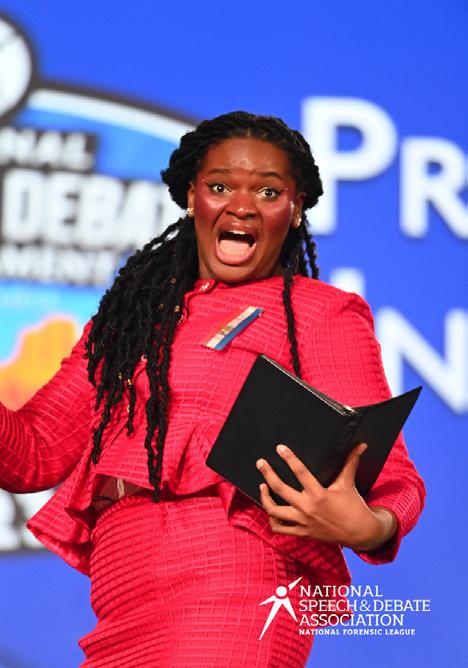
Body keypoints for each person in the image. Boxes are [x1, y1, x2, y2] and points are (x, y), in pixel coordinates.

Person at [0, 111, 425, 667]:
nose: (241, 206)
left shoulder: (319, 312)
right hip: (119, 602)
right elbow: (31, 456)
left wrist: (370, 528)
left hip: (237, 588)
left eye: (268, 192)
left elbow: (394, 477)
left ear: (295, 208)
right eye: (220, 187)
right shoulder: (127, 323)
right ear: (191, 197)